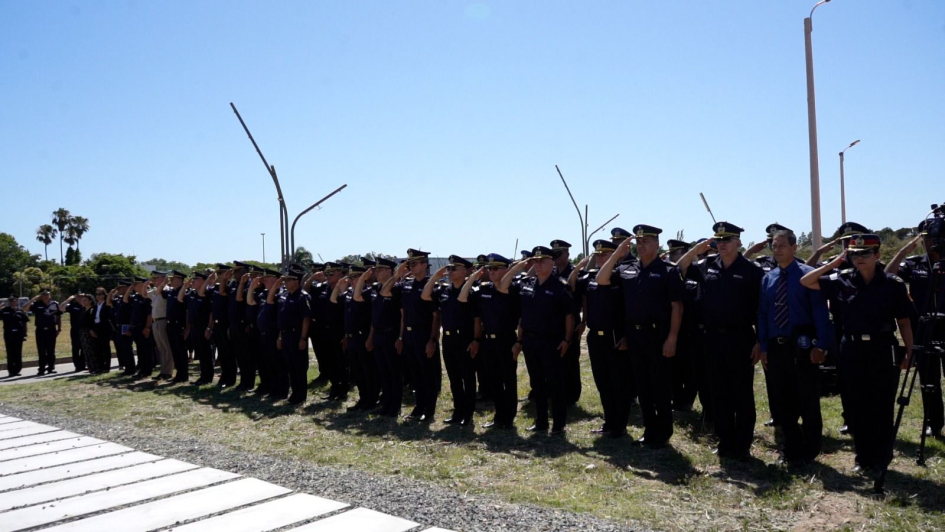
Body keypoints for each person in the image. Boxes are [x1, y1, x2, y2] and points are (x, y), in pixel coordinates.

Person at [801, 234, 915, 472]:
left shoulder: (893, 284)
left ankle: (881, 458)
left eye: (865, 253)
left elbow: (904, 321)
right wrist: (834, 263)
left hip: (882, 347)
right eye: (854, 254)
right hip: (851, 348)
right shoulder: (841, 279)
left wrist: (910, 352)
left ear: (877, 255)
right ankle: (863, 458)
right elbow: (806, 281)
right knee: (857, 405)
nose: (859, 258)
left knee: (882, 404)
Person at [676, 223, 765, 460]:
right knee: (719, 393)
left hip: (741, 339)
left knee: (742, 394)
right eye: (719, 240)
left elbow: (761, 310)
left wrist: (760, 341)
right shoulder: (706, 265)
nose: (722, 244)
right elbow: (679, 268)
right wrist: (695, 250)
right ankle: (725, 442)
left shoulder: (752, 271)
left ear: (738, 242)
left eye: (727, 240)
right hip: (712, 338)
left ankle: (742, 445)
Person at [597, 225, 684, 448]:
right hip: (634, 336)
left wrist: (672, 338)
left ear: (657, 244)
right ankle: (649, 430)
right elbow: (601, 279)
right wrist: (616, 254)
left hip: (658, 335)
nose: (641, 245)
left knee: (660, 386)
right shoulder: (627, 268)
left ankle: (663, 433)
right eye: (639, 241)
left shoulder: (668, 270)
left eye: (646, 241)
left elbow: (677, 306)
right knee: (643, 387)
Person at [758, 230, 832, 464]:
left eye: (782, 245)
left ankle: (810, 450)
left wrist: (822, 345)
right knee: (782, 401)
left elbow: (820, 312)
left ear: (794, 247)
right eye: (774, 246)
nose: (777, 250)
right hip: (777, 347)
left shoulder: (807, 275)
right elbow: (763, 314)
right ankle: (789, 447)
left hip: (802, 346)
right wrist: (764, 345)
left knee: (807, 399)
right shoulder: (768, 278)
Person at [504, 246, 574, 435]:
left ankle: (559, 423)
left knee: (555, 383)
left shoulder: (560, 286)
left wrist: (567, 339)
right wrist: (519, 266)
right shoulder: (527, 284)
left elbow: (569, 315)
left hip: (551, 342)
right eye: (535, 261)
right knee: (537, 383)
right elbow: (505, 285)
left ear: (552, 262)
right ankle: (541, 421)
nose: (538, 264)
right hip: (530, 341)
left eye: (542, 260)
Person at [886, 220, 945, 438]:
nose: (932, 242)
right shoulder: (914, 264)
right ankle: (933, 423)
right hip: (924, 327)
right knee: (929, 380)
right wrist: (903, 251)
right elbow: (887, 276)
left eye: (936, 237)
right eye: (927, 238)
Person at [570, 240, 630, 437]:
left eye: (604, 254)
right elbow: (571, 285)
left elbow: (628, 307)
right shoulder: (590, 276)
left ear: (614, 255)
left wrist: (625, 335)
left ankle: (619, 426)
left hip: (614, 335)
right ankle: (609, 422)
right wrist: (579, 267)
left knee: (618, 382)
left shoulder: (620, 275)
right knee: (603, 382)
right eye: (597, 254)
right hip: (595, 335)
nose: (599, 257)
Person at [461, 253, 522, 429]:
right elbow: (463, 297)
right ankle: (499, 416)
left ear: (506, 270)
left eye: (496, 268)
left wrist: (519, 341)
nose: (492, 272)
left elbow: (504, 288)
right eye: (489, 269)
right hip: (488, 341)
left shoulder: (512, 289)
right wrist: (473, 277)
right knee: (494, 380)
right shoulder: (484, 289)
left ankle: (509, 418)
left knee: (508, 380)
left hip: (506, 339)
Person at [382, 249, 441, 423]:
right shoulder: (406, 285)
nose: (411, 267)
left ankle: (429, 411)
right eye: (409, 264)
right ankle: (419, 407)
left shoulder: (431, 285)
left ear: (424, 265)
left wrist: (433, 340)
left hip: (424, 334)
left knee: (427, 374)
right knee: (416, 375)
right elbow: (384, 292)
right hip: (408, 335)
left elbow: (436, 316)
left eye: (414, 264)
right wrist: (397, 275)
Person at [424, 255, 477, 427]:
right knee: (454, 378)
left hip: (464, 338)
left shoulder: (471, 292)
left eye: (454, 268)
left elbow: (477, 319)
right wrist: (436, 276)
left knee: (467, 377)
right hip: (448, 339)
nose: (450, 271)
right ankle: (458, 411)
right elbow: (425, 294)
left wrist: (476, 340)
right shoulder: (444, 291)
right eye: (449, 268)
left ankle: (468, 414)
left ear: (464, 271)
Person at [360, 257, 402, 417]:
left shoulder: (396, 288)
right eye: (376, 269)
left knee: (393, 372)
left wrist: (401, 337)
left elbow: (403, 316)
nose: (376, 272)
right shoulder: (376, 288)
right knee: (383, 372)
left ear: (390, 271)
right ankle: (386, 404)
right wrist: (371, 337)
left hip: (391, 334)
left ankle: (395, 406)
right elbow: (374, 316)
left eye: (380, 269)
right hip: (378, 334)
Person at [334, 264, 378, 410]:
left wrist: (370, 338)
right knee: (357, 372)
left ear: (363, 278)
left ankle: (371, 400)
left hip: (363, 337)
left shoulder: (367, 293)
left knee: (368, 371)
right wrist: (339, 284)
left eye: (355, 277)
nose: (351, 280)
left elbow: (372, 319)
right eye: (350, 277)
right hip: (352, 338)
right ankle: (363, 398)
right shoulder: (348, 294)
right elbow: (334, 300)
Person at [666, 239, 698, 413]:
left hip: (691, 329)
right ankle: (676, 398)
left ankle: (688, 399)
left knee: (690, 367)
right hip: (672, 328)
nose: (671, 256)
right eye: (670, 253)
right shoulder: (669, 274)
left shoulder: (696, 274)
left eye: (675, 253)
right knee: (673, 366)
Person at [551, 239, 583, 406]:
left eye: (559, 253)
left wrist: (584, 321)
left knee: (571, 360)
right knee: (556, 360)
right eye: (553, 254)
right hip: (555, 322)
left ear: (567, 254)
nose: (555, 257)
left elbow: (583, 298)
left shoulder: (576, 272)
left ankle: (572, 396)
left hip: (572, 321)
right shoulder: (551, 272)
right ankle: (558, 392)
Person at [311, 262, 348, 400]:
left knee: (341, 362)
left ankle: (343, 390)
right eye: (327, 273)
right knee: (329, 361)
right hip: (324, 330)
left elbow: (346, 313)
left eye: (332, 273)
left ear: (340, 273)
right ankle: (334, 388)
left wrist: (345, 334)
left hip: (338, 330)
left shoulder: (344, 289)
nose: (329, 276)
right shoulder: (324, 288)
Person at [277, 265, 312, 405]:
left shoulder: (302, 296)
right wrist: (280, 336)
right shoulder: (287, 296)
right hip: (286, 335)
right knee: (290, 366)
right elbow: (283, 319)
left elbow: (306, 319)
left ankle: (300, 395)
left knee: (299, 367)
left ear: (296, 281)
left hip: (296, 335)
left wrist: (303, 338)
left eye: (288, 280)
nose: (285, 282)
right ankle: (294, 392)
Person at [182, 271, 214, 385]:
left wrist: (209, 328)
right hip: (194, 327)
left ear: (202, 281)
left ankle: (207, 378)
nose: (193, 282)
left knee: (206, 353)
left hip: (203, 327)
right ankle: (203, 376)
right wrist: (185, 286)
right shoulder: (192, 293)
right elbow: (180, 298)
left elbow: (211, 313)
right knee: (200, 354)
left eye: (196, 280)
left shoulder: (206, 293)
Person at [23, 290, 62, 375]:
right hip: (40, 330)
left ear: (50, 295)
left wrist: (59, 329)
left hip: (51, 330)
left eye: (47, 294)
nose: (46, 296)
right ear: (41, 296)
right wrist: (32, 299)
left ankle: (51, 368)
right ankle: (42, 369)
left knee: (51, 350)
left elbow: (58, 316)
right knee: (41, 351)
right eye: (44, 295)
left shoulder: (55, 304)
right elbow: (24, 309)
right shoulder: (36, 304)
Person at [210, 264, 236, 388]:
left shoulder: (230, 287)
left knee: (229, 353)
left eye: (222, 273)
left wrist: (225, 279)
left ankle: (230, 379)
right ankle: (224, 377)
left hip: (226, 323)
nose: (219, 276)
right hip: (217, 324)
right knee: (222, 353)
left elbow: (223, 293)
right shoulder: (216, 288)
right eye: (219, 273)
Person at [126, 277, 154, 379]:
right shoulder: (136, 297)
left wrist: (147, 327)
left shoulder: (146, 298)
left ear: (143, 285)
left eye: (136, 284)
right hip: (135, 327)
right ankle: (142, 370)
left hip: (143, 327)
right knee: (140, 350)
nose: (134, 286)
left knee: (146, 350)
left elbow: (149, 315)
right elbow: (126, 301)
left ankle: (147, 371)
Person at [164, 271, 189, 383]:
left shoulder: (183, 292)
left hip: (179, 325)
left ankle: (183, 375)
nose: (171, 280)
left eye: (173, 279)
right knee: (175, 351)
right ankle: (179, 374)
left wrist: (187, 328)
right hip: (171, 324)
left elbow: (187, 312)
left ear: (180, 280)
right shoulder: (171, 291)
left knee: (181, 351)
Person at [148, 271, 174, 381]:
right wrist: (145, 284)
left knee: (167, 347)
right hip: (155, 321)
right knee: (161, 348)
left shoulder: (166, 290)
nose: (154, 280)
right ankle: (163, 371)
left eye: (156, 278)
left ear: (163, 279)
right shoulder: (155, 290)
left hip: (163, 320)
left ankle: (168, 371)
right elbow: (144, 294)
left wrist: (164, 283)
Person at [107, 281, 135, 375]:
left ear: (126, 288)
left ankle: (131, 369)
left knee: (127, 348)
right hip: (119, 326)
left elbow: (126, 301)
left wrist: (129, 290)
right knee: (122, 348)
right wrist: (111, 293)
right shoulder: (118, 299)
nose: (118, 290)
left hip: (126, 326)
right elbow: (108, 303)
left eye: (120, 288)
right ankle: (127, 368)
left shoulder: (130, 298)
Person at [1, 295, 29, 377]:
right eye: (10, 301)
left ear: (17, 301)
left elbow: (25, 323)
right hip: (9, 334)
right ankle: (11, 371)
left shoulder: (20, 311)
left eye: (14, 300)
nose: (12, 302)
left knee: (18, 352)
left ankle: (17, 370)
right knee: (10, 353)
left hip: (18, 335)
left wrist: (25, 334)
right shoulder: (4, 311)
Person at [89, 288, 112, 373]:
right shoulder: (95, 306)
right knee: (97, 348)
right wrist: (92, 329)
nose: (98, 296)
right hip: (96, 327)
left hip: (104, 328)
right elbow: (92, 318)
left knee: (105, 347)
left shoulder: (106, 304)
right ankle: (100, 366)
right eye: (97, 294)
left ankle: (106, 367)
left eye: (100, 294)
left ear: (104, 295)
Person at [63, 292, 87, 371]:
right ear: (75, 298)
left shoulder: (87, 306)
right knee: (76, 348)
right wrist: (69, 299)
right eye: (79, 297)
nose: (81, 298)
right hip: (75, 330)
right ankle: (77, 366)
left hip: (85, 330)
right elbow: (61, 308)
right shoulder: (72, 306)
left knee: (84, 347)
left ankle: (83, 364)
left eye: (82, 296)